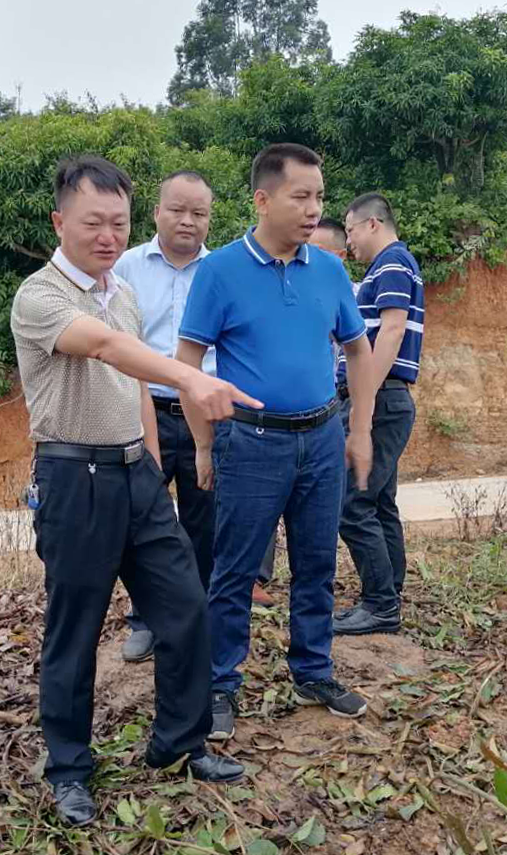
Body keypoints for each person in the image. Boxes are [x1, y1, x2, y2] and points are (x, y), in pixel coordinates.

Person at [10, 155, 253, 826]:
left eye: (117, 223)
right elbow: (105, 349)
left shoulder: (121, 292)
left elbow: (132, 384)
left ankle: (180, 743)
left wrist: (149, 458)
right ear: (59, 222)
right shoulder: (40, 296)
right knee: (75, 631)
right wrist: (192, 378)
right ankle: (69, 770)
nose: (108, 236)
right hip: (73, 479)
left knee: (185, 606)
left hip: (134, 474)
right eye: (93, 222)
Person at [176, 143, 378, 742]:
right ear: (263, 200)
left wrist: (360, 430)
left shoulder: (331, 270)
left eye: (320, 197)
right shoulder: (220, 271)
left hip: (322, 438)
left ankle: (313, 671)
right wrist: (203, 445)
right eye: (301, 196)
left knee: (317, 563)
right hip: (251, 444)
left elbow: (359, 349)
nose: (315, 209)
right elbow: (188, 364)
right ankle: (219, 684)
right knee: (235, 571)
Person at [112, 171, 274, 664]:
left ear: (210, 218)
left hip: (209, 415)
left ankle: (199, 616)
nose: (188, 221)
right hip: (147, 410)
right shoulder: (125, 267)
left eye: (199, 213)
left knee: (207, 522)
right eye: (178, 210)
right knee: (142, 519)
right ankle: (145, 618)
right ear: (156, 212)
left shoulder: (224, 270)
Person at [332, 193, 424, 634]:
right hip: (388, 398)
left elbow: (391, 330)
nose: (348, 241)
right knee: (380, 502)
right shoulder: (391, 266)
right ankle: (389, 591)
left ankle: (381, 604)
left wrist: (362, 401)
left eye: (350, 230)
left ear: (372, 224)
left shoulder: (391, 263)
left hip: (379, 400)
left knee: (353, 504)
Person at [251, 217, 356, 594]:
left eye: (320, 250)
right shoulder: (277, 282)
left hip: (325, 413)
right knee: (261, 505)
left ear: (340, 256)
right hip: (270, 420)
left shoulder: (342, 287)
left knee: (317, 529)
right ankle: (255, 577)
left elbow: (358, 349)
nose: (307, 255)